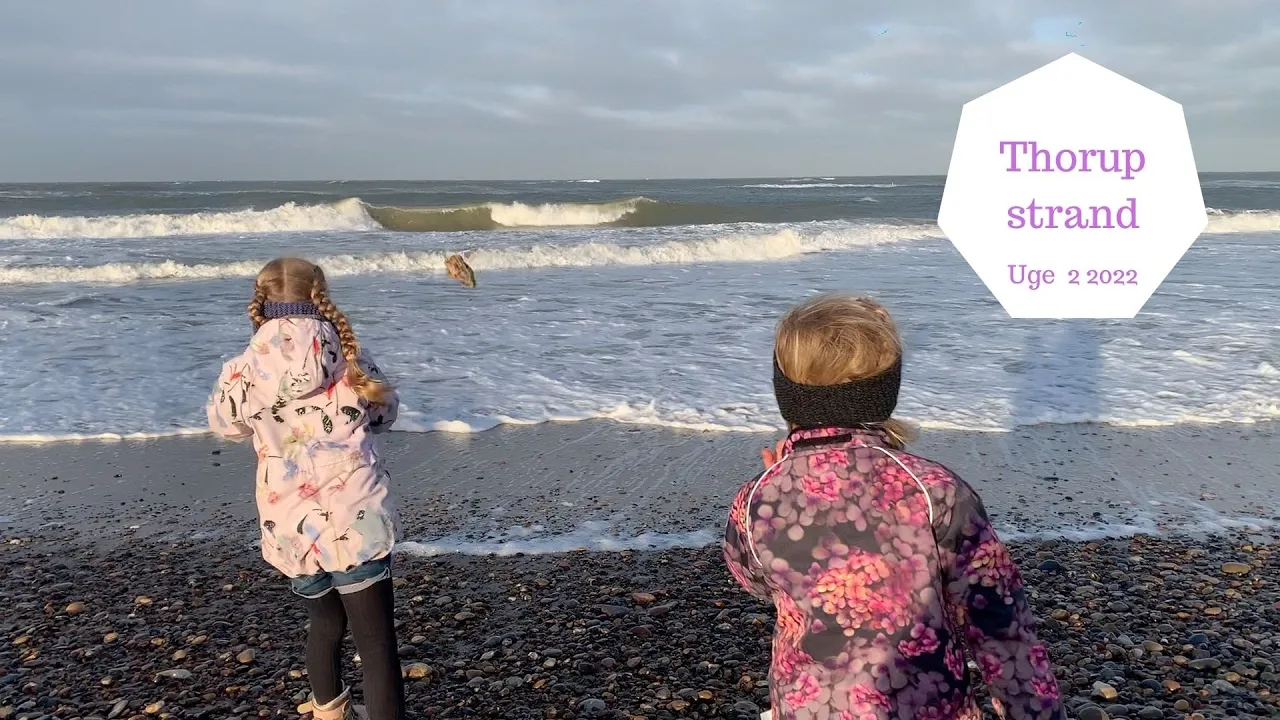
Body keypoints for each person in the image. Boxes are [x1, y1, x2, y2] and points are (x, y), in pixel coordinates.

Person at [722, 294, 1064, 720]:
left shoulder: (756, 498)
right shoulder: (935, 491)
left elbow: (755, 579)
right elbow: (1000, 623)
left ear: (786, 392)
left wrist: (776, 486)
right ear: (885, 389)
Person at [207, 257, 404, 720]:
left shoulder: (242, 368)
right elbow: (385, 412)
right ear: (320, 295)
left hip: (291, 521)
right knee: (376, 644)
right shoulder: (347, 355)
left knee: (325, 621)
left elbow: (225, 425)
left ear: (261, 301)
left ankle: (329, 713)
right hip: (354, 515)